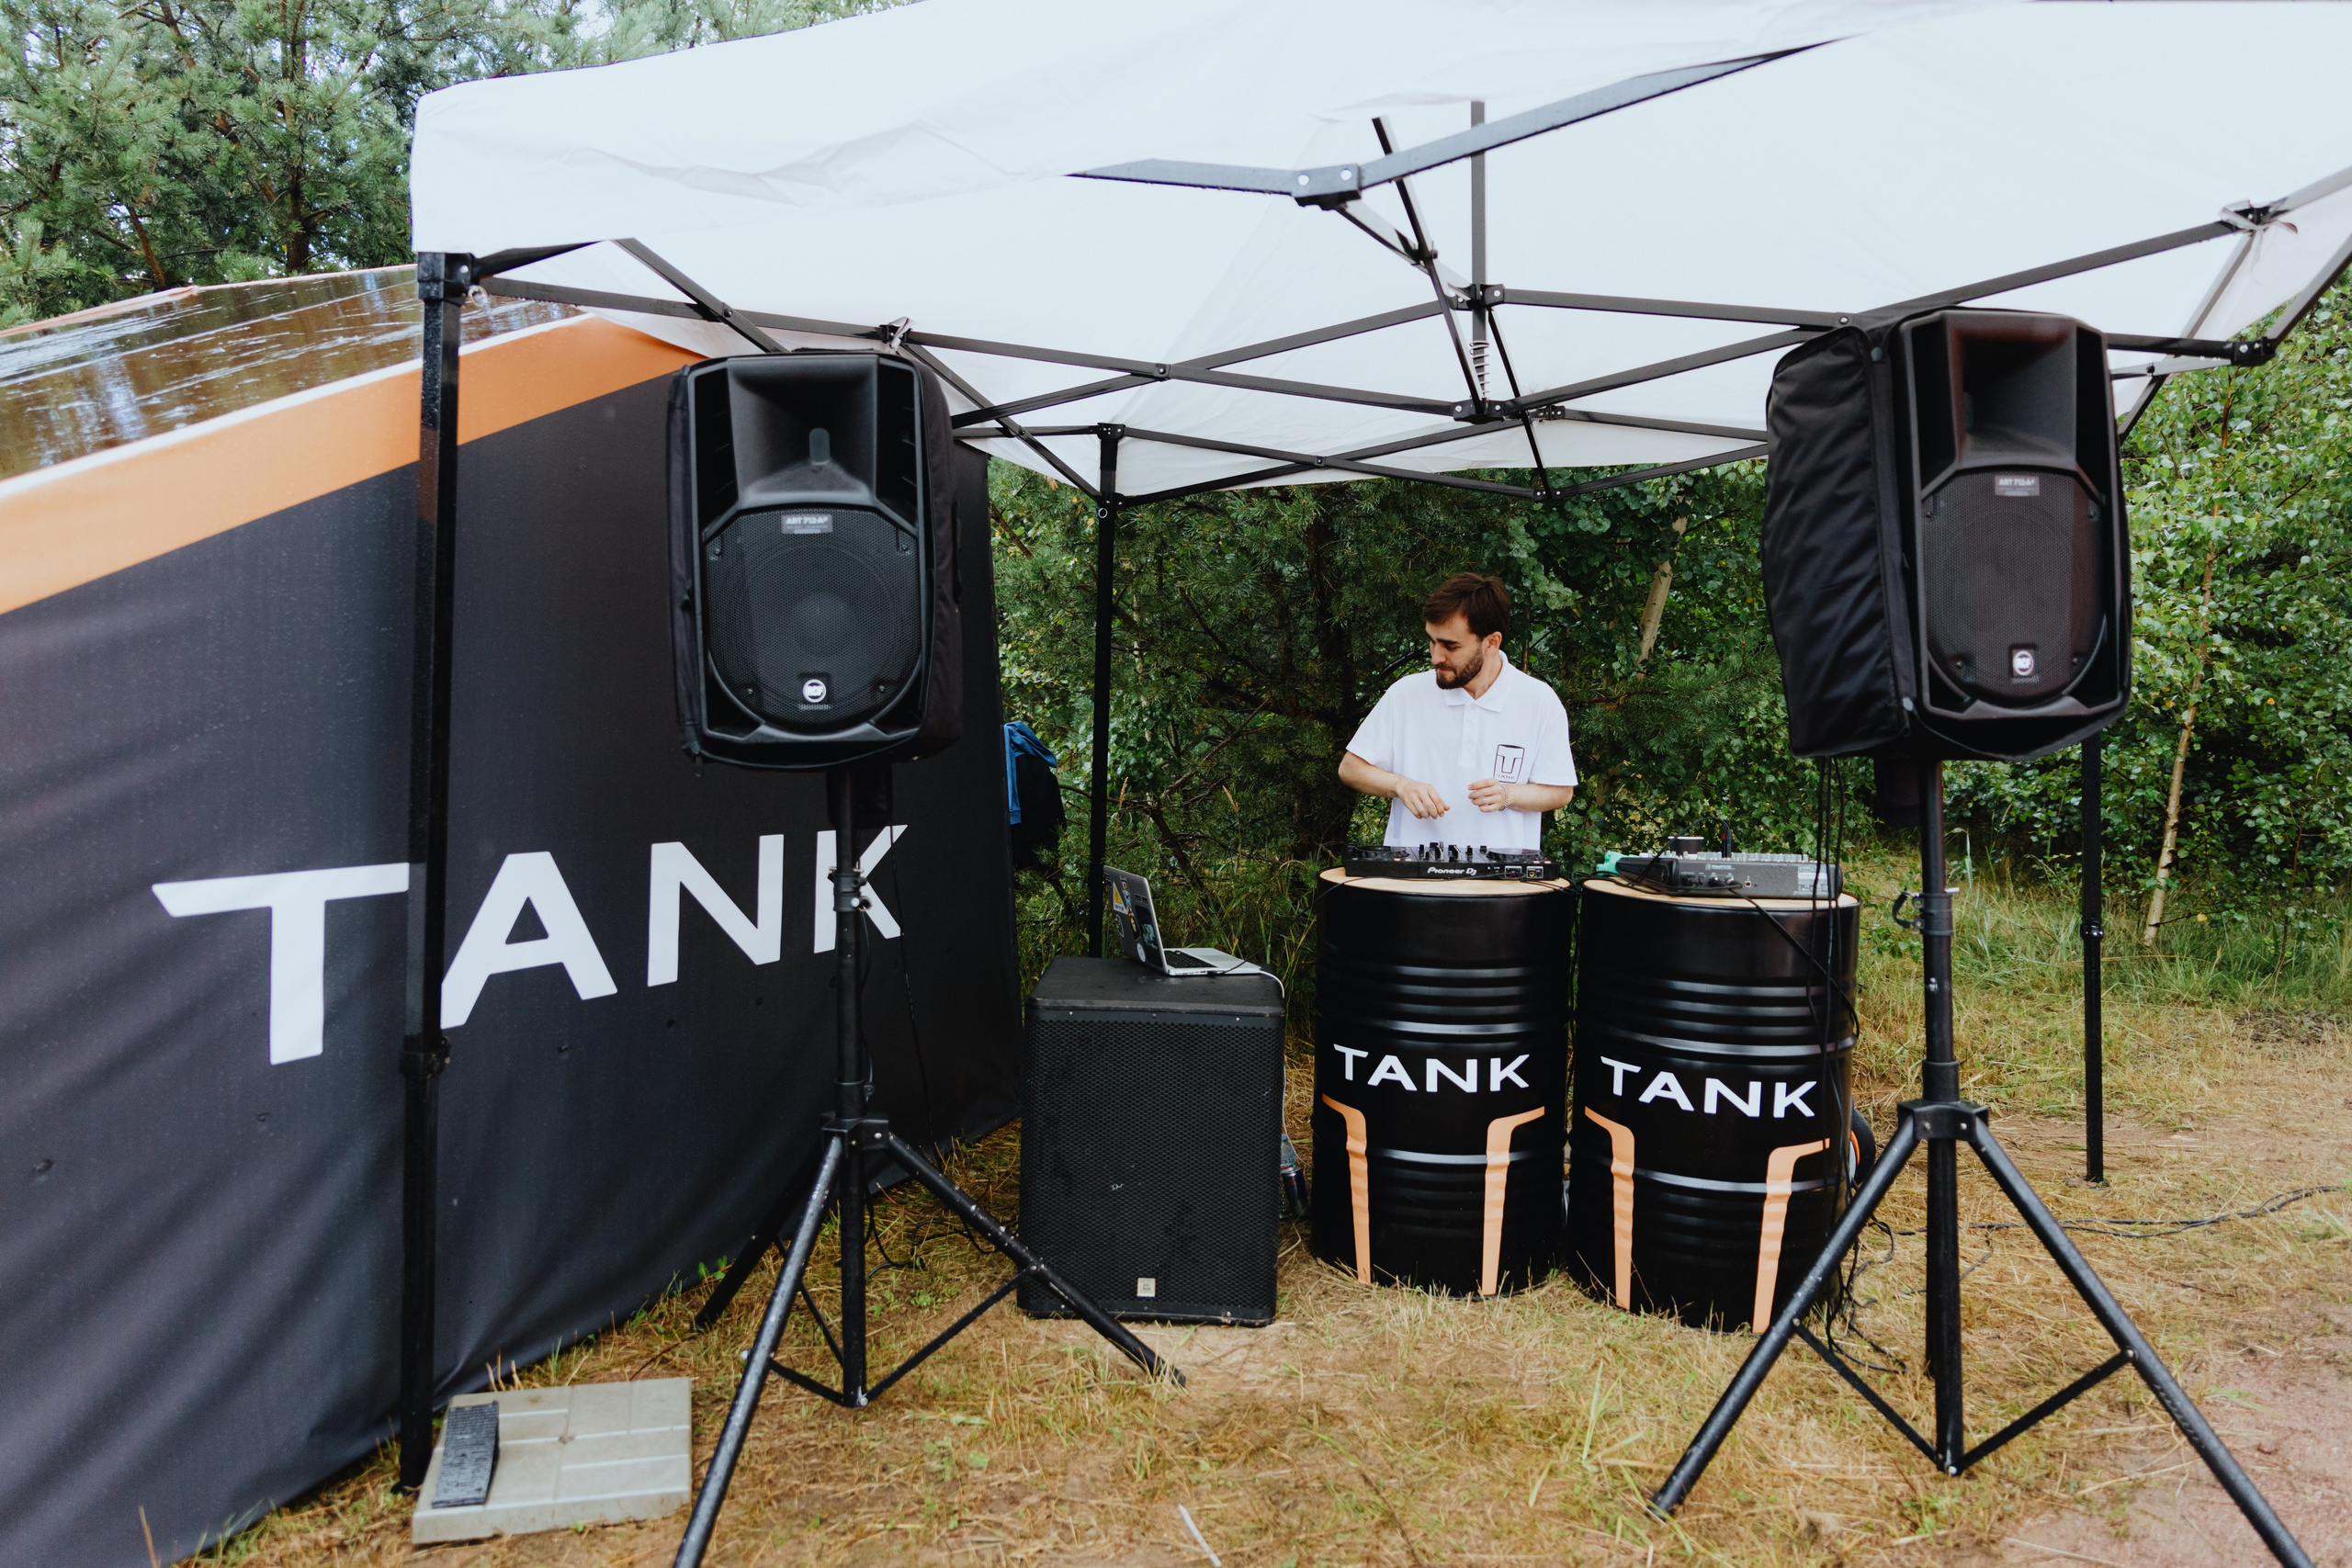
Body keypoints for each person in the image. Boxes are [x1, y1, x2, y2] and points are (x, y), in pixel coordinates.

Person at [1337, 571, 1576, 851]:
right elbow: (1350, 768)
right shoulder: (1406, 694)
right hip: (1411, 883)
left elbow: (1561, 791)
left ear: (1491, 642)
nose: (1436, 656)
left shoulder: (1539, 701)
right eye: (1432, 641)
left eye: (1451, 646)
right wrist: (1401, 785)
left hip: (1501, 885)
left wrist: (1509, 794)